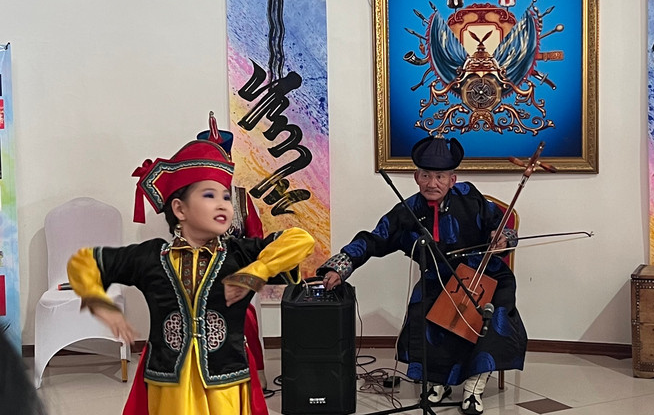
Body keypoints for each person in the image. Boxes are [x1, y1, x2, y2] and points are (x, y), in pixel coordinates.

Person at [67, 139, 314, 415]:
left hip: (226, 383)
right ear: (180, 209)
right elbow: (83, 262)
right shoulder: (152, 258)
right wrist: (99, 303)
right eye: (210, 196)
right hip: (169, 384)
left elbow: (301, 240)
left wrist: (257, 271)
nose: (223, 204)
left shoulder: (238, 255)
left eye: (226, 197)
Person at [319, 136, 526, 415]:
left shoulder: (471, 197)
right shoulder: (408, 211)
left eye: (440, 176)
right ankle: (438, 381)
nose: (432, 183)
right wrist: (341, 265)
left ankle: (474, 388)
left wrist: (502, 237)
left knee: (493, 313)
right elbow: (374, 238)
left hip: (485, 273)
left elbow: (503, 228)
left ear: (452, 179)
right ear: (416, 177)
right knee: (423, 309)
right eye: (426, 175)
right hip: (439, 277)